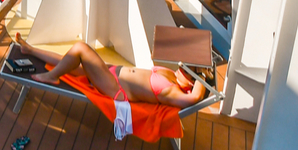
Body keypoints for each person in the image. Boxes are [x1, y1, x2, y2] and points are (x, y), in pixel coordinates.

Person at [13, 34, 207, 107]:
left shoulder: (171, 92)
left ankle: (51, 77)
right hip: (113, 73)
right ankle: (30, 50)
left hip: (116, 88)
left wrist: (202, 79)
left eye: (187, 70)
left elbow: (193, 98)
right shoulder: (173, 76)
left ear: (191, 81)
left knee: (81, 48)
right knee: (72, 62)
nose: (181, 67)